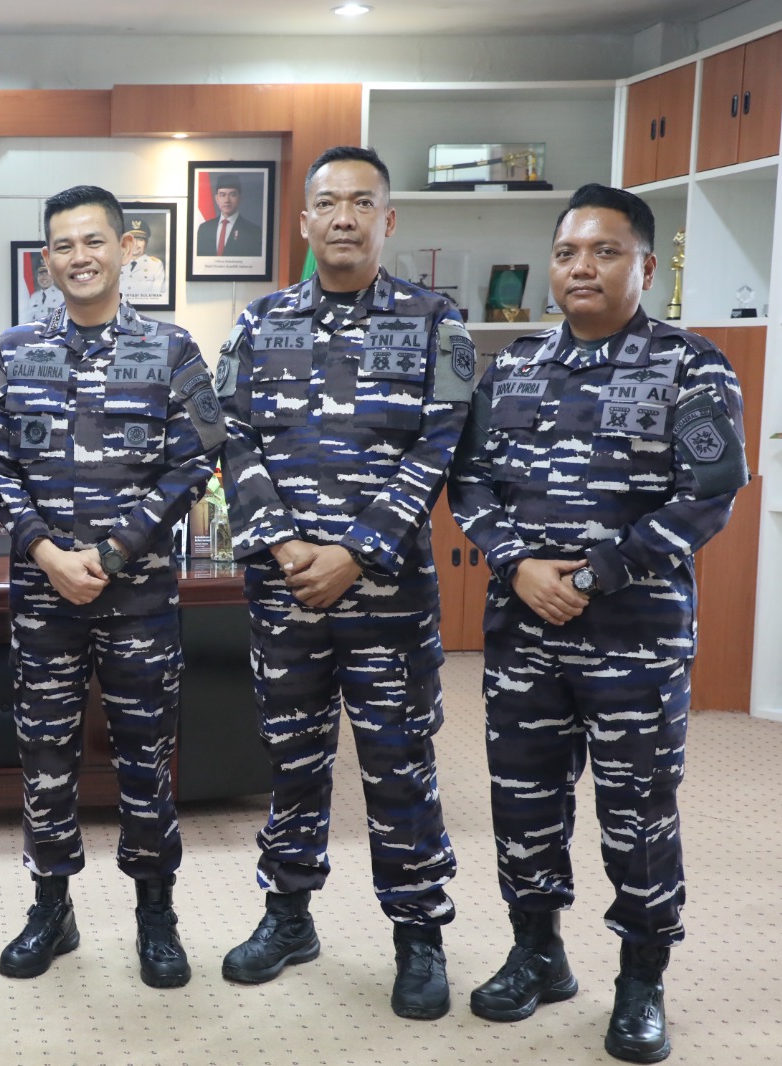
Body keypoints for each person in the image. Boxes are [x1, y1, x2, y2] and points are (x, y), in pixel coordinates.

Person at [449, 184, 746, 1064]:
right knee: (524, 802)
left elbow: (709, 495)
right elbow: (469, 482)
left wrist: (589, 575)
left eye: (605, 252)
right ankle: (537, 953)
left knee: (637, 810)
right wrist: (516, 563)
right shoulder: (512, 367)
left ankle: (641, 979)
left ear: (645, 266)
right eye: (568, 252)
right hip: (524, 635)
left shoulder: (691, 365)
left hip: (635, 640)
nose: (582, 267)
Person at [217, 145, 475, 1019]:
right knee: (292, 759)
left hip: (388, 595)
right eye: (328, 202)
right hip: (285, 590)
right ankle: (288, 917)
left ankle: (419, 934)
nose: (343, 217)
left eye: (362, 202)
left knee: (399, 765)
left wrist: (356, 551)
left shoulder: (438, 324)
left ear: (387, 220)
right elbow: (231, 437)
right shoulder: (258, 324)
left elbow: (441, 443)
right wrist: (286, 544)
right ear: (303, 221)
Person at [0, 185, 225, 989]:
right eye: (63, 245)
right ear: (46, 259)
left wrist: (114, 552)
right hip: (44, 594)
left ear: (125, 249)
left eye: (93, 241)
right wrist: (45, 550)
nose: (79, 257)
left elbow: (195, 457)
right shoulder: (14, 351)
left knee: (147, 754)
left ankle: (156, 913)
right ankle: (52, 907)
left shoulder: (171, 349)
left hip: (138, 597)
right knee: (44, 752)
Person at [195, 174, 262, 257]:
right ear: (216, 198)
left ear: (239, 198)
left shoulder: (253, 232)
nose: (227, 200)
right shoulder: (204, 229)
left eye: (232, 195)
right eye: (222, 195)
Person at [119, 219, 167, 299]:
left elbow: (158, 297)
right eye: (132, 240)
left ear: (146, 243)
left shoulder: (155, 265)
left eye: (140, 240)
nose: (135, 244)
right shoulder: (117, 263)